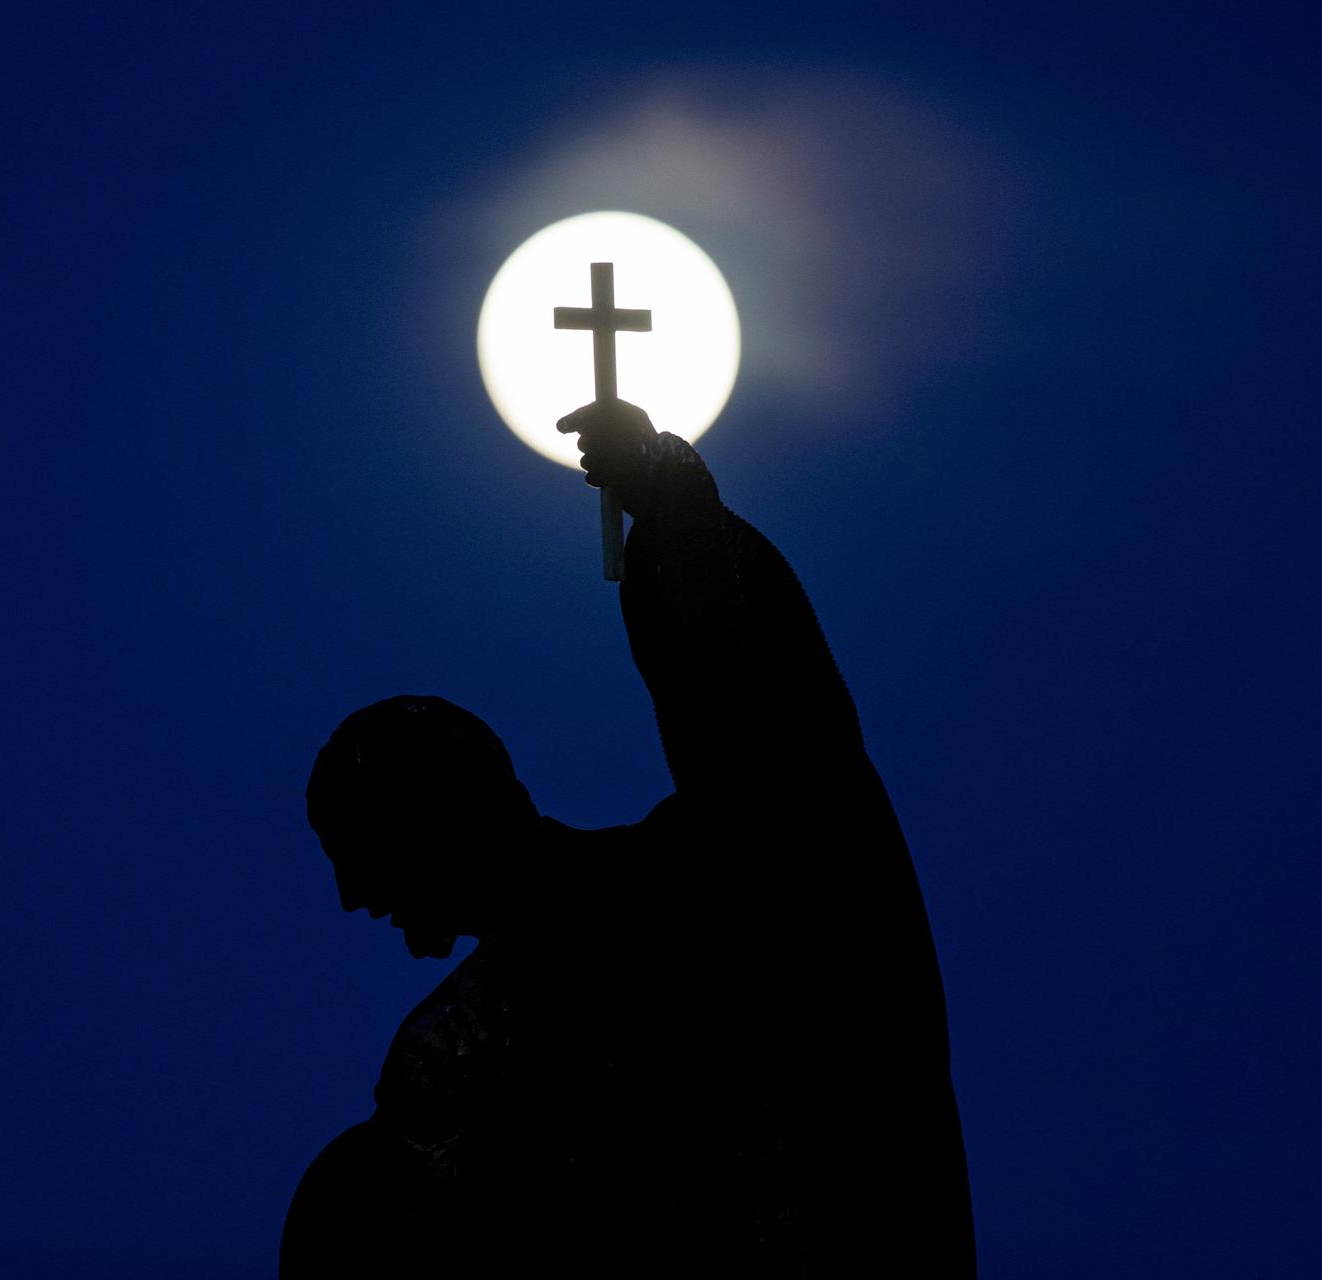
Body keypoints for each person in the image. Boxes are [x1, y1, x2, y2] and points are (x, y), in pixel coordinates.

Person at [281, 401, 975, 1276]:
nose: (354, 897)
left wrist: (671, 511)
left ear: (441, 817)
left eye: (365, 850)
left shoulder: (680, 889)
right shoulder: (448, 1051)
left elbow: (780, 754)